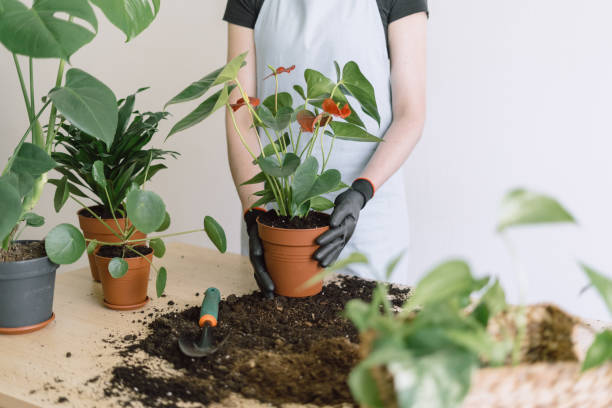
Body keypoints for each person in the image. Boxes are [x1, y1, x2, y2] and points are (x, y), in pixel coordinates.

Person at [223, 0, 428, 298]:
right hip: (276, 217)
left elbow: (410, 113)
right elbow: (240, 112)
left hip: (369, 224)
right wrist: (254, 214)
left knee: (367, 338)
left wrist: (361, 192)